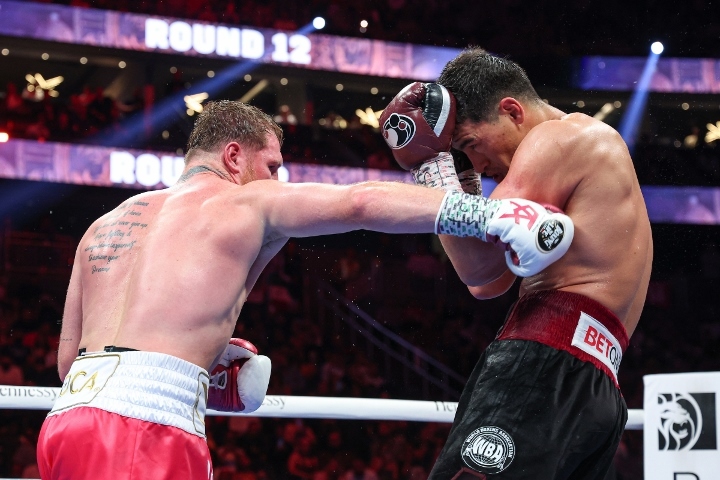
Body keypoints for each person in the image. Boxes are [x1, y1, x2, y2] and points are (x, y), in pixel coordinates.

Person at [36, 100, 574, 479]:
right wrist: (493, 214)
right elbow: (359, 202)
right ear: (233, 157)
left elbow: (69, 362)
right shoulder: (246, 200)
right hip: (142, 430)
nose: (278, 180)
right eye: (271, 166)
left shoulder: (105, 224)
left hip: (66, 423)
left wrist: (201, 363)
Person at [379, 48, 652, 479]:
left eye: (470, 145)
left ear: (511, 111)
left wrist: (431, 166)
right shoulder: (591, 146)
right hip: (597, 383)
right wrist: (464, 181)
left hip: (543, 363)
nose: (478, 164)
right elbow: (488, 284)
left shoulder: (555, 139)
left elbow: (477, 267)